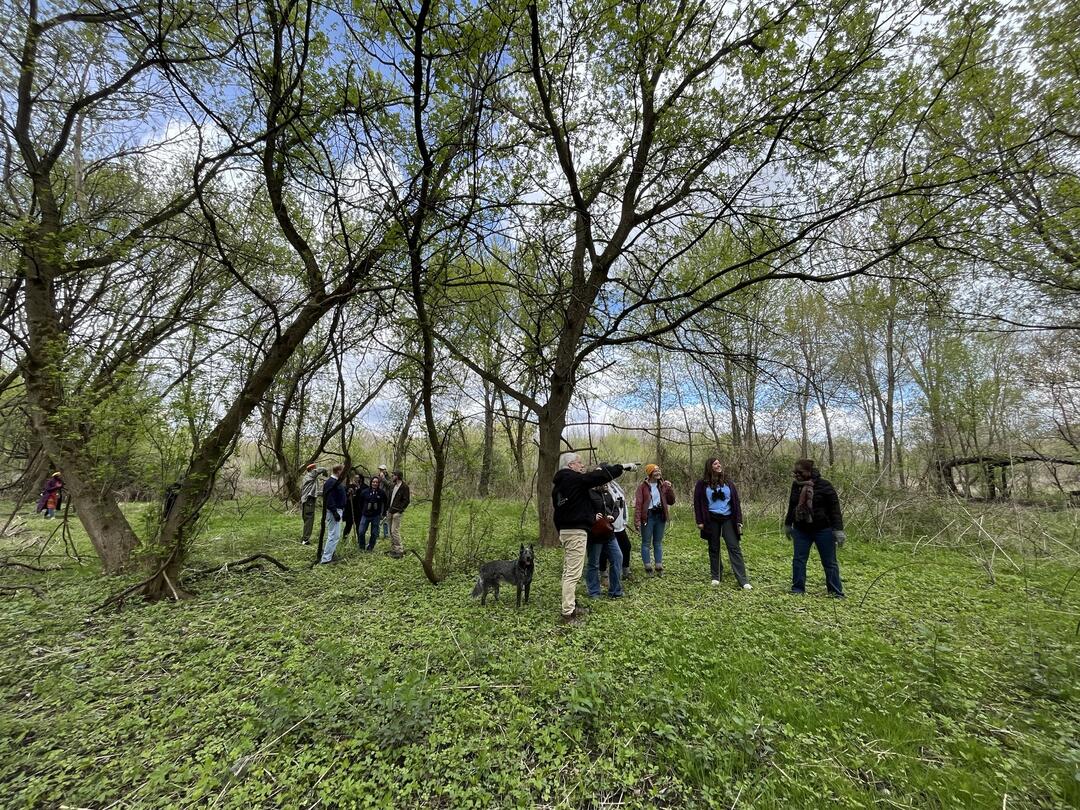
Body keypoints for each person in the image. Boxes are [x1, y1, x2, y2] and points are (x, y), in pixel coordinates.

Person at [552, 454, 636, 624]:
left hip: (566, 531)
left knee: (568, 571)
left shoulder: (559, 487)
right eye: (579, 462)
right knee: (573, 575)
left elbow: (565, 509)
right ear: (571, 465)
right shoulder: (574, 479)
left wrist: (589, 516)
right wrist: (623, 466)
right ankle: (568, 614)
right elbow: (598, 476)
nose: (582, 466)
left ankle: (572, 605)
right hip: (575, 532)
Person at [784, 458, 846, 597]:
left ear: (809, 471)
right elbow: (792, 506)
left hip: (823, 530)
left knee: (829, 562)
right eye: (795, 472)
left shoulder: (825, 486)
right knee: (799, 560)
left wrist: (838, 530)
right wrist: (788, 524)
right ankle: (798, 589)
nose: (796, 475)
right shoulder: (796, 486)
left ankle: (835, 592)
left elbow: (834, 509)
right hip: (801, 529)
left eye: (800, 472)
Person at [693, 457, 752, 590]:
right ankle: (716, 576)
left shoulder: (728, 482)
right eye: (715, 463)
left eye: (719, 463)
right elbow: (697, 503)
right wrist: (700, 521)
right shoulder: (702, 484)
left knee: (734, 547)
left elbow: (736, 502)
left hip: (728, 518)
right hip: (711, 519)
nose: (718, 465)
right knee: (714, 547)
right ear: (709, 466)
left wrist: (739, 520)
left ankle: (743, 580)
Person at [585, 478, 624, 599]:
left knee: (617, 558)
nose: (604, 483)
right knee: (594, 563)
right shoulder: (587, 493)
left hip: (608, 532)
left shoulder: (607, 493)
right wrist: (592, 516)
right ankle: (594, 592)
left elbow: (615, 508)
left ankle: (615, 591)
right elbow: (582, 511)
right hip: (595, 534)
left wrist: (613, 516)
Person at [633, 464, 675, 575]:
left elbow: (671, 501)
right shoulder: (642, 487)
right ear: (650, 473)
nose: (658, 473)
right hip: (648, 516)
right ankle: (648, 567)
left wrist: (669, 488)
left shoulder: (663, 485)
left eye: (659, 470)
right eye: (655, 471)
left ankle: (659, 566)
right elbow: (638, 504)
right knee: (646, 543)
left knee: (658, 542)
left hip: (660, 516)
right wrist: (637, 520)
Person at [598, 477, 631, 582]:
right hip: (608, 525)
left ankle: (625, 571)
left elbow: (622, 503)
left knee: (626, 546)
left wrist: (625, 519)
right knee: (604, 551)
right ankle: (604, 574)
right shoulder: (600, 486)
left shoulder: (614, 485)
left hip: (620, 523)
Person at [319, 465, 347, 564]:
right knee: (333, 535)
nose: (344, 473)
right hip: (333, 511)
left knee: (335, 535)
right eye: (342, 471)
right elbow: (329, 499)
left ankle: (330, 554)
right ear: (339, 471)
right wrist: (334, 512)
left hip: (338, 510)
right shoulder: (331, 482)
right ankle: (326, 559)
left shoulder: (336, 482)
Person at [356, 475, 389, 552]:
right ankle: (362, 547)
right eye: (373, 482)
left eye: (376, 482)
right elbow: (360, 502)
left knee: (374, 534)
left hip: (376, 516)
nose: (375, 483)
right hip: (365, 515)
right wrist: (362, 511)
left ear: (378, 483)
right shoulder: (365, 492)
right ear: (371, 482)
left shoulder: (381, 493)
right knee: (361, 532)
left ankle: (370, 547)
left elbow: (386, 502)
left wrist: (383, 512)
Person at [299, 464, 327, 545]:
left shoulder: (308, 478)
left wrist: (324, 493)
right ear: (311, 469)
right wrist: (325, 471)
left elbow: (314, 491)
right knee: (309, 520)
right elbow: (321, 469)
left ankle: (304, 538)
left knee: (306, 519)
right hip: (309, 500)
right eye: (315, 468)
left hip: (306, 500)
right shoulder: (310, 475)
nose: (316, 469)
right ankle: (305, 540)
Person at [385, 471, 411, 559]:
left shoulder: (404, 487)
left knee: (394, 531)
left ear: (398, 476)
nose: (392, 476)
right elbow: (389, 498)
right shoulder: (393, 486)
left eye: (394, 475)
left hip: (396, 513)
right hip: (390, 511)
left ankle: (399, 550)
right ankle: (394, 549)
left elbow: (406, 500)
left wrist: (399, 511)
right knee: (390, 531)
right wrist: (387, 509)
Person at [342, 473, 367, 546]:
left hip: (359, 510)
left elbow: (364, 496)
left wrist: (358, 489)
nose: (355, 479)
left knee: (359, 527)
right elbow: (346, 494)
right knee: (348, 526)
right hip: (350, 510)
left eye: (357, 478)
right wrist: (349, 493)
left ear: (361, 479)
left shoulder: (364, 487)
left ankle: (360, 542)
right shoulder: (350, 486)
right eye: (355, 477)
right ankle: (344, 541)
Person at [376, 465, 392, 540]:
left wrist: (383, 478)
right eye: (380, 470)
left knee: (385, 516)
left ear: (385, 470)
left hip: (386, 500)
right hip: (378, 499)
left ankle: (386, 534)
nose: (381, 471)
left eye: (382, 470)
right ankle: (377, 533)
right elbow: (375, 485)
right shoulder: (378, 477)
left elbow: (389, 485)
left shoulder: (389, 477)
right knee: (378, 516)